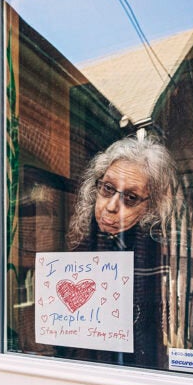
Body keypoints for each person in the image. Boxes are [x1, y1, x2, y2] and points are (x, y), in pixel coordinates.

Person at [65, 135, 176, 369]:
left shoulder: (159, 254)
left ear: (151, 207)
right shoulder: (78, 240)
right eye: (107, 189)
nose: (112, 206)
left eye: (131, 198)